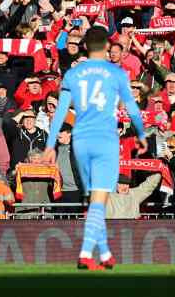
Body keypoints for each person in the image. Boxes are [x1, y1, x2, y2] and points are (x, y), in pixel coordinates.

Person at [41, 27, 148, 270]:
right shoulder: (116, 73)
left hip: (81, 140)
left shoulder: (73, 73)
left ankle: (106, 253)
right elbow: (131, 106)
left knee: (95, 198)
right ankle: (86, 253)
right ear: (107, 47)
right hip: (105, 139)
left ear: (86, 47)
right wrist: (141, 133)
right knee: (100, 198)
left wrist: (50, 144)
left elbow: (61, 110)